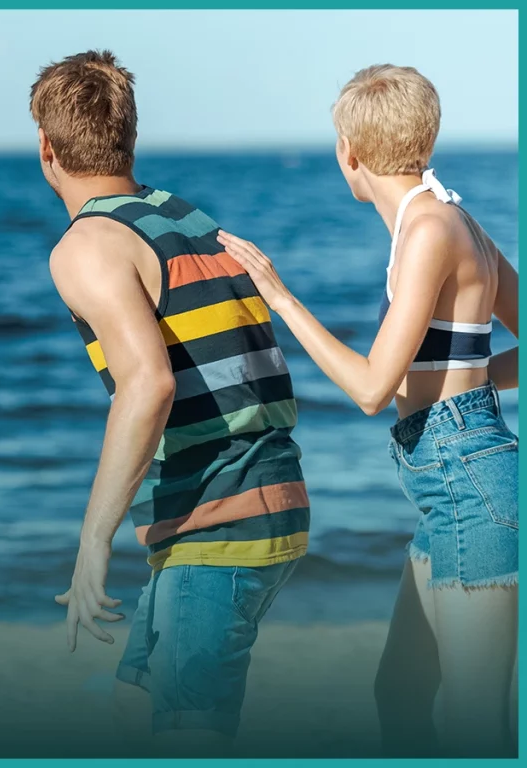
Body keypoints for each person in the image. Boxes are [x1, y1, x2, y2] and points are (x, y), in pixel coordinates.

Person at [217, 65, 518, 757]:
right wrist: (472, 385)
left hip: (468, 484)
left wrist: (281, 297)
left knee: (477, 724)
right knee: (402, 693)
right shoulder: (448, 218)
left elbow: (370, 388)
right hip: (453, 481)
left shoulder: (429, 231)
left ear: (348, 154)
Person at [29, 51, 310, 753]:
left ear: (47, 149)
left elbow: (148, 384)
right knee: (135, 705)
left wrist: (93, 541)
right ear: (128, 134)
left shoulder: (87, 244)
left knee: (190, 732)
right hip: (261, 497)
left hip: (221, 520)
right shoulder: (186, 216)